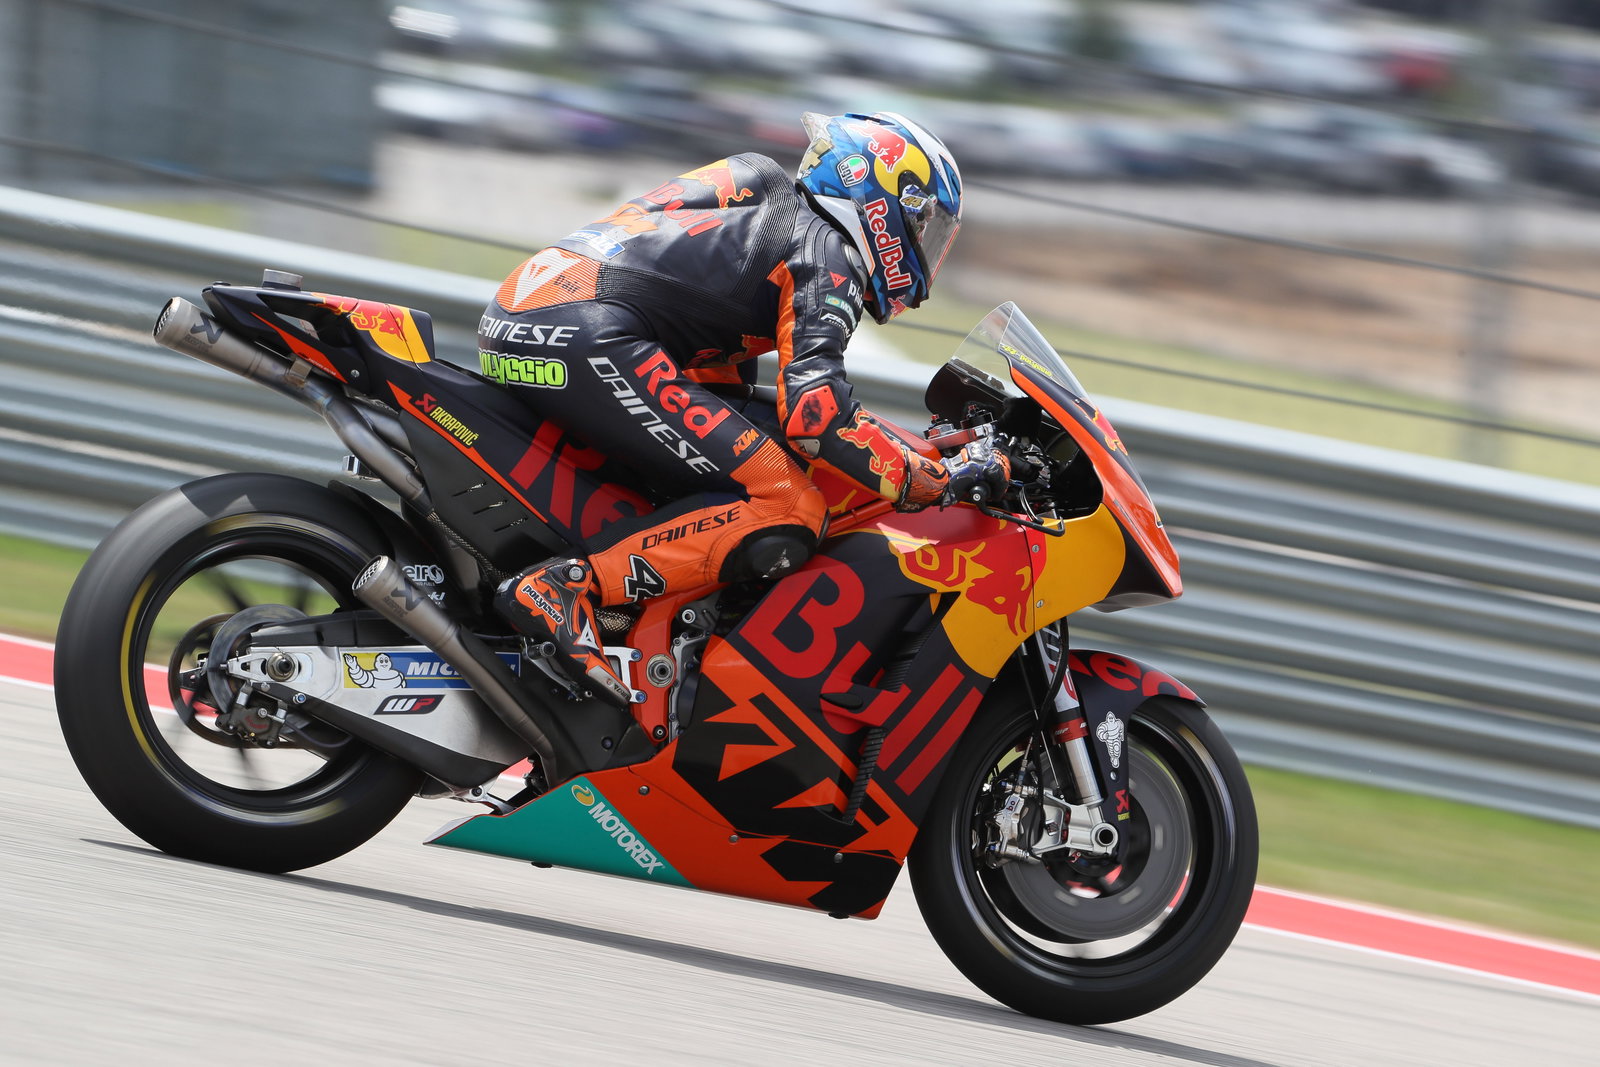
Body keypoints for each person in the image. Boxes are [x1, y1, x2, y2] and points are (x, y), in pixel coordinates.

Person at [479, 111, 1005, 707]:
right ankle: (569, 587)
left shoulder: (761, 194)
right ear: (882, 200)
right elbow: (817, 417)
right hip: (586, 334)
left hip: (531, 315)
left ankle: (637, 619)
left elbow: (724, 377)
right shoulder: (827, 251)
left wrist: (894, 446)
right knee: (791, 504)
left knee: (749, 454)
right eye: (924, 225)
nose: (925, 247)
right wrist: (932, 480)